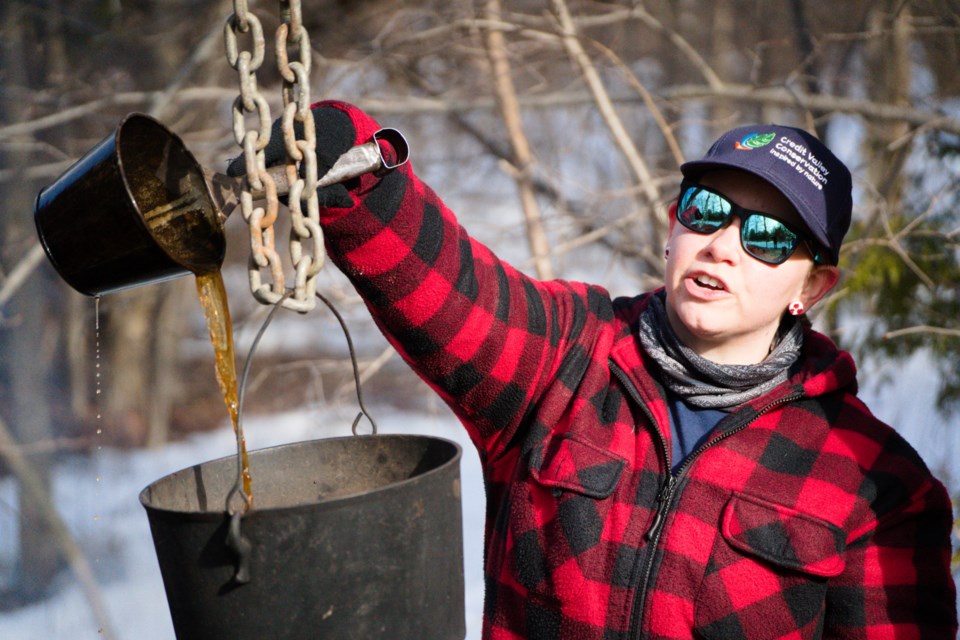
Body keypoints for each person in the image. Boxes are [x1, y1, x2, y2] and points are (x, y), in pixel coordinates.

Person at [232, 103, 958, 639]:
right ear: (674, 228)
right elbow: (455, 295)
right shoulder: (569, 354)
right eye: (706, 212)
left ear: (813, 287)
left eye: (767, 236)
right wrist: (351, 170)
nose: (723, 246)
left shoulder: (876, 484)